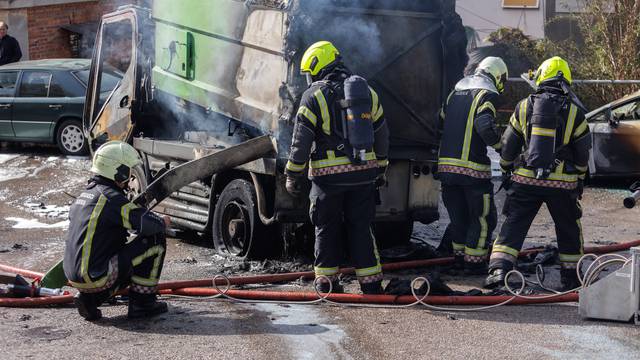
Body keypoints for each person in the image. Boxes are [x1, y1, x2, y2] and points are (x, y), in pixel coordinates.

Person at [285, 41, 390, 294]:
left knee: (326, 227)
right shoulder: (366, 92)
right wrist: (381, 166)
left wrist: (292, 173)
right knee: (361, 227)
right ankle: (371, 283)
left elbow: (301, 141)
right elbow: (382, 132)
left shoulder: (313, 96)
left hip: (327, 180)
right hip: (363, 174)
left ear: (316, 67)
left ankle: (326, 282)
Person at [484, 56, 591, 290]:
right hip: (563, 185)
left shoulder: (523, 106)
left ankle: (499, 271)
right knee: (568, 227)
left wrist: (505, 169)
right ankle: (571, 277)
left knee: (514, 223)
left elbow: (509, 145)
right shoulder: (575, 113)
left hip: (526, 179)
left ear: (541, 77)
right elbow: (583, 152)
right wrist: (579, 178)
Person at [64, 141, 171, 321]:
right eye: (128, 171)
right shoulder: (110, 198)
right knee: (155, 240)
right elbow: (148, 225)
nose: (129, 177)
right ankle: (143, 304)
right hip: (98, 276)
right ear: (119, 171)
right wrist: (162, 221)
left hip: (76, 278)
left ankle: (90, 299)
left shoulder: (84, 196)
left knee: (122, 254)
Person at [437, 57, 508, 274]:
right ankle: (474, 264)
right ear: (497, 76)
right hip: (473, 171)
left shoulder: (454, 93)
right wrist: (503, 148)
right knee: (481, 218)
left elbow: (440, 122)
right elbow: (484, 126)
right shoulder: (485, 95)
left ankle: (459, 259)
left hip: (447, 169)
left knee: (458, 218)